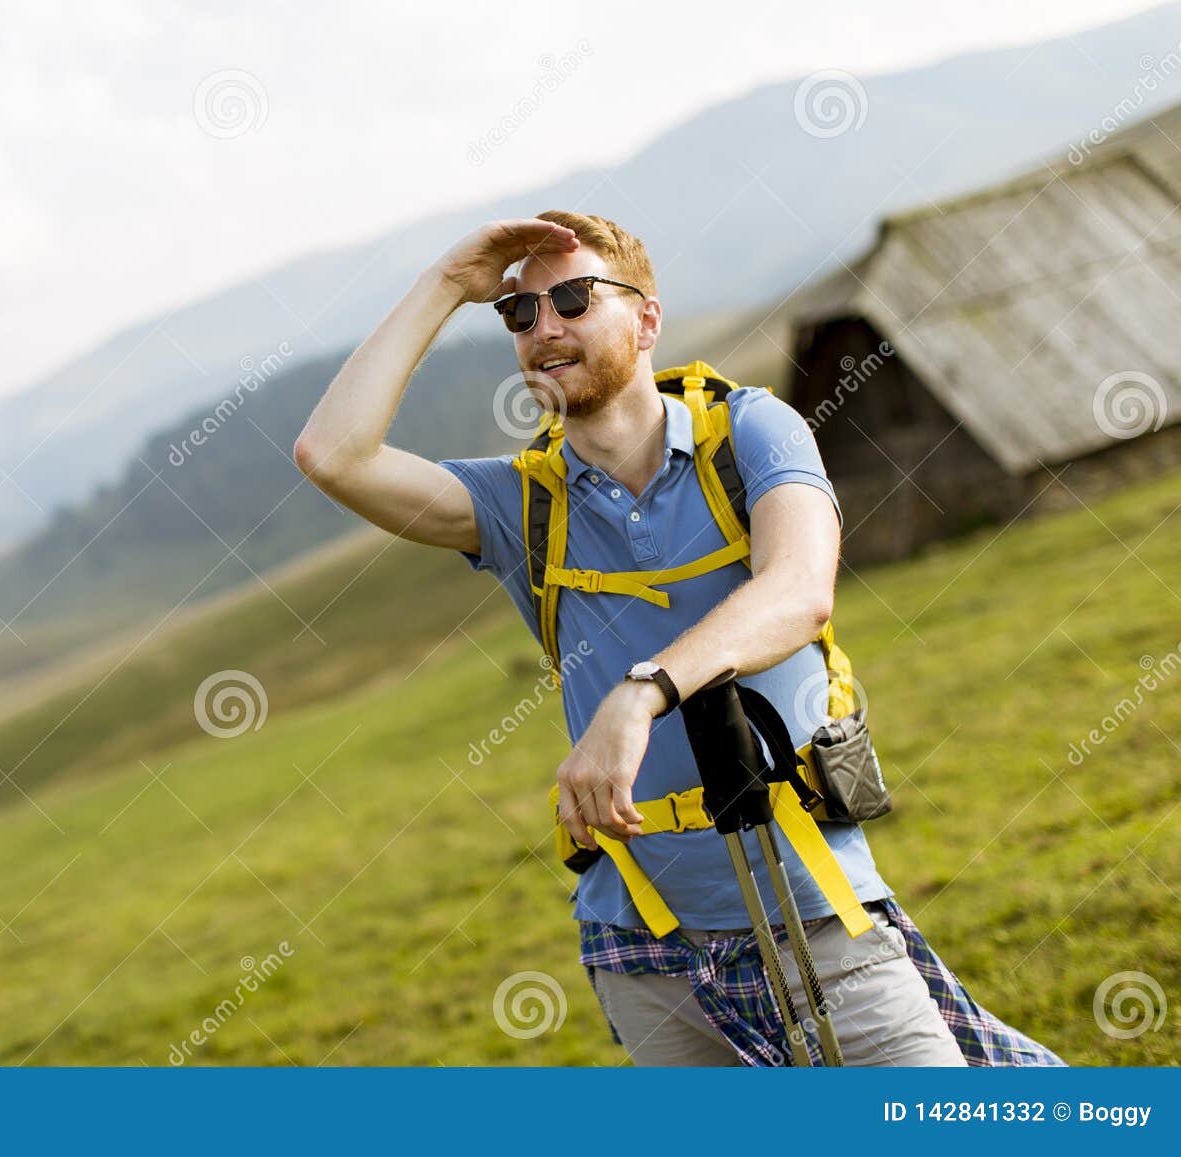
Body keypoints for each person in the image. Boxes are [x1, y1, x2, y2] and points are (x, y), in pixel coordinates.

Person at [293, 211, 1062, 1067]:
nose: (544, 329)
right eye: (521, 314)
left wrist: (644, 691)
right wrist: (444, 284)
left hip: (816, 913)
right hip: (645, 955)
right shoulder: (521, 507)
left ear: (647, 320)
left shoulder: (754, 430)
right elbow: (332, 453)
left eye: (575, 300)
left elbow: (799, 590)